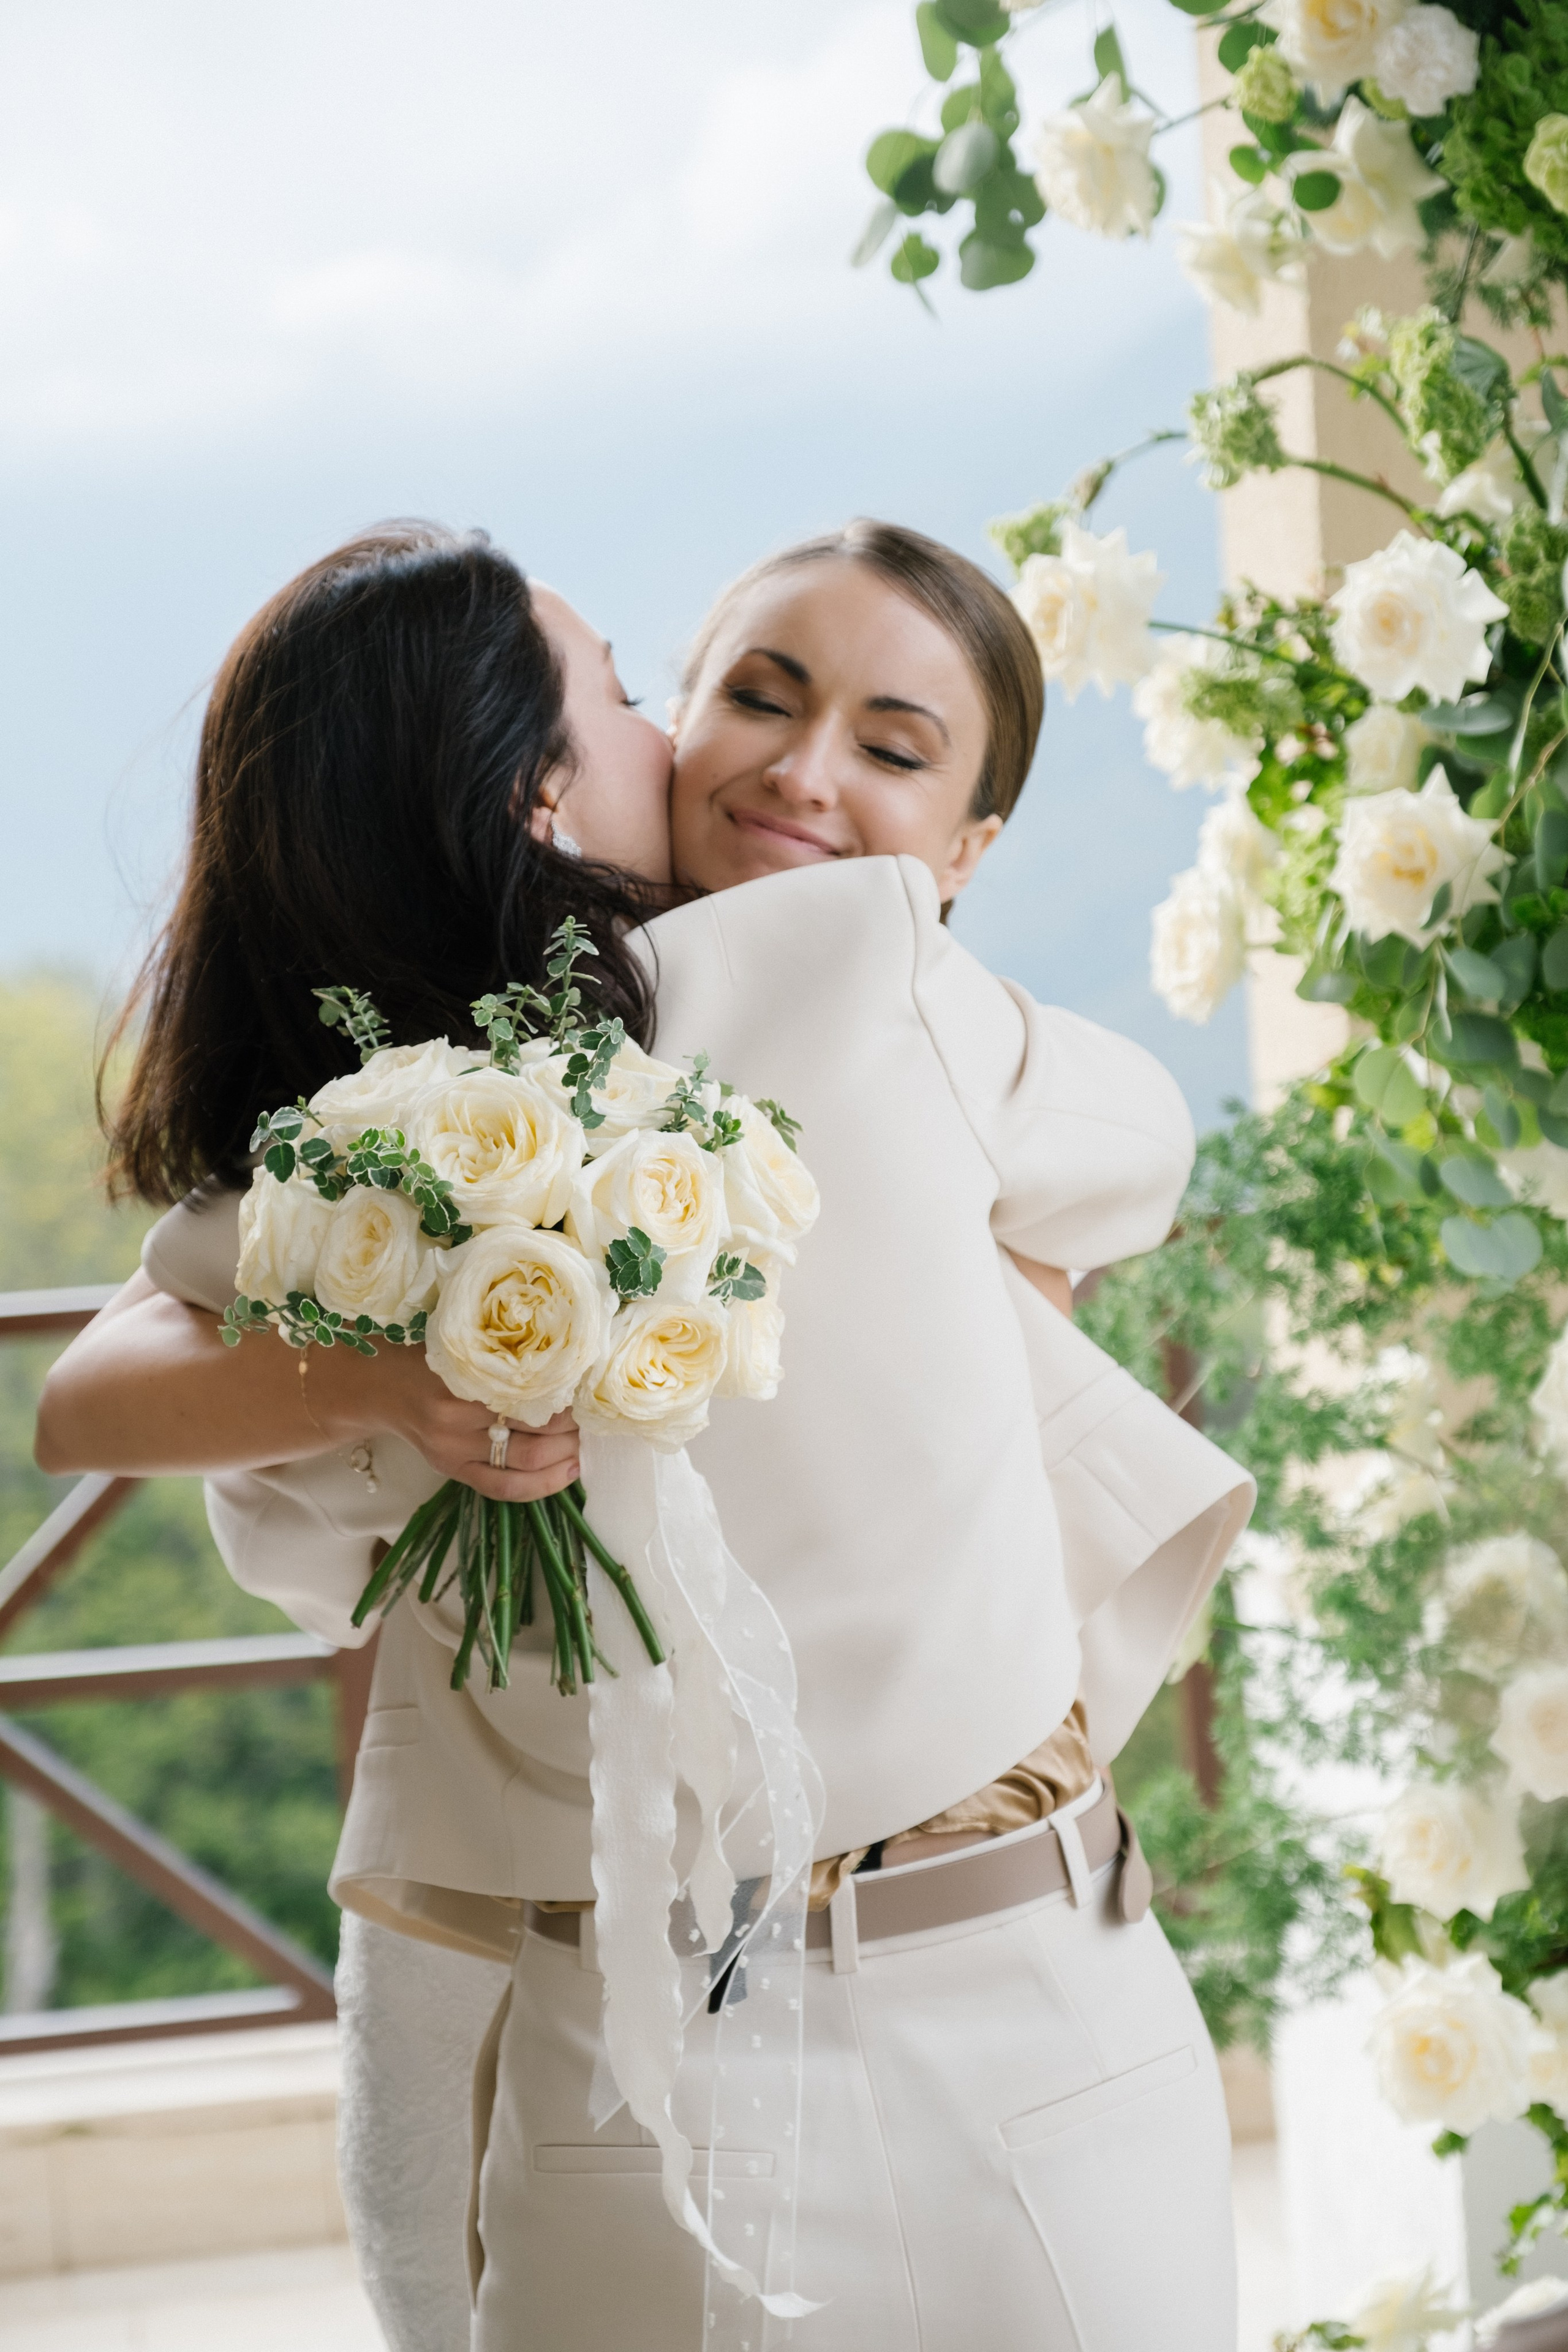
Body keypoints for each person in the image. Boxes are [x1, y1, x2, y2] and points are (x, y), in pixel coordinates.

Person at [39, 521, 1252, 2351]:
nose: (790, 766)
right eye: (679, 692)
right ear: (537, 791)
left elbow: (102, 1383)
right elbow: (1139, 1147)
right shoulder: (779, 991)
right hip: (757, 2047)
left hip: (915, 2042)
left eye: (892, 746)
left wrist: (372, 1381)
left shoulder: (352, 1156)